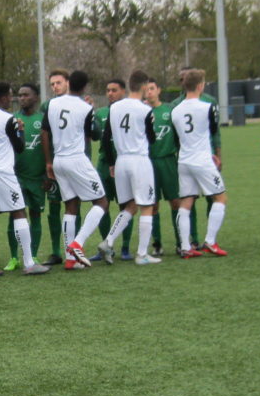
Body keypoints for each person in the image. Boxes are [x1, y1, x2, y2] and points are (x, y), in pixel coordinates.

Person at [0, 81, 50, 277]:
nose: (12, 99)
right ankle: (29, 262)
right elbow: (19, 147)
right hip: (2, 171)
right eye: (10, 95)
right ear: (2, 97)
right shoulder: (9, 119)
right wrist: (21, 130)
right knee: (19, 211)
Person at [41, 70, 107, 269]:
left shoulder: (52, 104)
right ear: (85, 87)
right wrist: (91, 110)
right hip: (77, 158)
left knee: (71, 206)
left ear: (69, 84)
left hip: (59, 159)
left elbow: (45, 130)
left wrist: (48, 161)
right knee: (102, 202)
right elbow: (95, 134)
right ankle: (77, 244)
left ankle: (70, 261)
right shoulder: (84, 107)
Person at [96, 70, 160, 265]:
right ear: (143, 87)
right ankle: (142, 254)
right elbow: (152, 139)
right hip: (139, 160)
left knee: (130, 206)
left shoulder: (114, 108)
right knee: (147, 206)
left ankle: (108, 241)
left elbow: (106, 139)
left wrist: (112, 163)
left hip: (121, 161)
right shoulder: (145, 110)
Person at [171, 69, 229, 258]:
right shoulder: (207, 107)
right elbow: (212, 130)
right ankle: (210, 242)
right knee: (220, 198)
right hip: (202, 160)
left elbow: (177, 138)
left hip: (184, 160)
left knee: (186, 202)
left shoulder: (175, 110)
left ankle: (186, 246)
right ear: (200, 86)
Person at [4, 83, 48, 271]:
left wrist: (48, 173)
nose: (22, 98)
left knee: (36, 215)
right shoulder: (12, 120)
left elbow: (49, 147)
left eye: (26, 95)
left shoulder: (43, 120)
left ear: (36, 97)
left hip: (38, 177)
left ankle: (33, 253)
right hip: (16, 177)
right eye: (19, 95)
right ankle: (14, 257)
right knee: (14, 216)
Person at [91, 78, 133, 262]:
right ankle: (106, 246)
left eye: (114, 90)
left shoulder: (131, 110)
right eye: (108, 90)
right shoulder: (101, 113)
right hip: (103, 164)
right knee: (101, 205)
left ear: (123, 91)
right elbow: (94, 136)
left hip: (123, 163)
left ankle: (125, 247)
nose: (110, 93)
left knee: (126, 206)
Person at [144, 77, 185, 257]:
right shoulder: (142, 111)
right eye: (147, 89)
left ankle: (180, 241)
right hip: (149, 162)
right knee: (152, 204)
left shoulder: (170, 110)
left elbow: (179, 136)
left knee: (175, 201)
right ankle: (157, 244)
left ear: (159, 90)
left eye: (152, 88)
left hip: (168, 161)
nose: (149, 92)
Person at [41, 70, 75, 265]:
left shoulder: (78, 103)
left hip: (75, 162)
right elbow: (44, 134)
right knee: (54, 206)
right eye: (52, 84)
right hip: (56, 163)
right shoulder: (48, 105)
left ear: (68, 83)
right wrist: (48, 161)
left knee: (74, 205)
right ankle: (56, 251)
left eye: (58, 83)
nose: (55, 87)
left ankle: (75, 247)